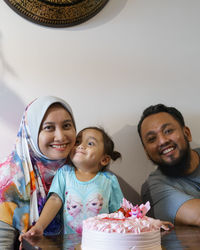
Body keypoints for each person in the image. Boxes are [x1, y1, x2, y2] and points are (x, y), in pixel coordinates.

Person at [0, 96, 76, 249]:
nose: (60, 136)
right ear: (31, 132)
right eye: (49, 127)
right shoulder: (10, 177)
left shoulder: (84, 169)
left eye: (67, 126)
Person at [20, 126, 124, 237]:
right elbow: (55, 200)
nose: (80, 146)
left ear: (104, 159)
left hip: (101, 243)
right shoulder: (64, 174)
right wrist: (39, 226)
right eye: (77, 142)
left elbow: (119, 213)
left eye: (90, 143)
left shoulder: (109, 180)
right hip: (70, 244)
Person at [138, 103, 200, 226]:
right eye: (152, 139)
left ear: (187, 133)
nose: (162, 141)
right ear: (146, 152)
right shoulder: (154, 187)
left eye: (168, 131)